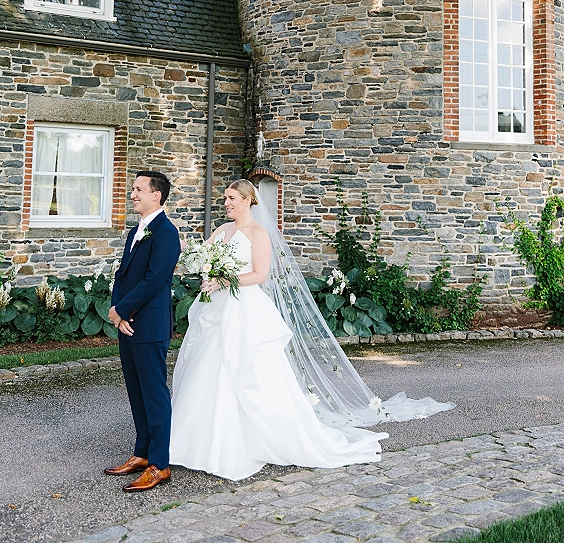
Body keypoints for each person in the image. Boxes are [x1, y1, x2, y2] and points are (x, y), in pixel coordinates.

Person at [169, 180, 453, 481]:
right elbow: (202, 254)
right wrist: (179, 246)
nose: (225, 203)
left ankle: (247, 441)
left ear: (249, 200)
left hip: (243, 311)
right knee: (208, 369)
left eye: (231, 198)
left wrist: (224, 281)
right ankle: (194, 442)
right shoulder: (222, 231)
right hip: (217, 309)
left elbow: (260, 274)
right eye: (224, 198)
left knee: (246, 371)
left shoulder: (258, 233)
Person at [105, 171, 181, 492]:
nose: (132, 194)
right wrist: (116, 310)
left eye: (138, 189)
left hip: (149, 325)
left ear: (156, 196)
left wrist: (122, 310)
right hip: (128, 325)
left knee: (154, 394)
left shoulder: (166, 233)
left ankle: (159, 465)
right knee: (136, 393)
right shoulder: (135, 231)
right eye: (133, 189)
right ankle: (142, 453)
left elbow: (154, 280)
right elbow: (123, 275)